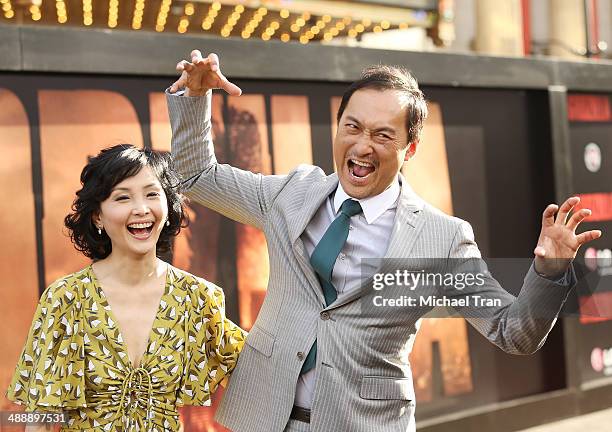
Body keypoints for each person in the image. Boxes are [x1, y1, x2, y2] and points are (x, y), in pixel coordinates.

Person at [166, 51, 601, 432]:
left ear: (410, 149)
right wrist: (195, 99)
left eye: (382, 135)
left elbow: (513, 333)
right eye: (352, 128)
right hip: (263, 416)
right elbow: (197, 176)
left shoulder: (441, 238)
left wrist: (551, 269)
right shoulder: (291, 194)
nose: (362, 145)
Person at [6, 144, 246, 431]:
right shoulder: (66, 299)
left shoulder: (197, 298)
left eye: (152, 194)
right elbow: (40, 421)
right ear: (97, 216)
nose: (141, 209)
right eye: (123, 197)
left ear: (168, 207)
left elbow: (262, 372)